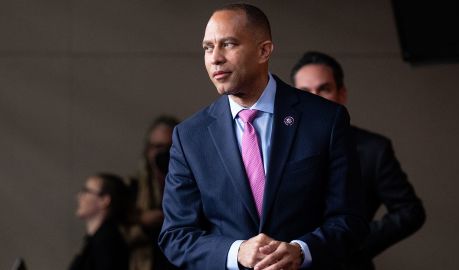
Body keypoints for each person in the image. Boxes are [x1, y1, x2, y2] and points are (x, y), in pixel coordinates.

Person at [159, 4, 368, 270]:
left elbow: (350, 219)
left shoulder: (325, 120)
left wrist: (302, 251)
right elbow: (175, 236)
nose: (215, 58)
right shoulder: (190, 136)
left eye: (229, 44)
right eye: (208, 48)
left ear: (264, 50)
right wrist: (237, 252)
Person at [291, 51, 426, 270]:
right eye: (304, 92)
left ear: (341, 94)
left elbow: (410, 211)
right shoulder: (273, 146)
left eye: (324, 89)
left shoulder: (374, 148)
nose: (314, 98)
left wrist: (352, 241)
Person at [126, 115, 179, 270]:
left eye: (170, 147)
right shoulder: (133, 189)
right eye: (157, 147)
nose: (163, 154)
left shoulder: (193, 188)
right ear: (148, 150)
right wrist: (141, 221)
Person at [69, 173, 130, 270]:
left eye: (86, 191)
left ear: (105, 200)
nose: (79, 196)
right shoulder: (97, 241)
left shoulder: (107, 243)